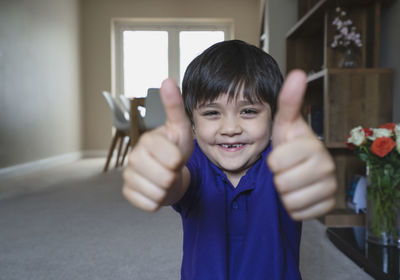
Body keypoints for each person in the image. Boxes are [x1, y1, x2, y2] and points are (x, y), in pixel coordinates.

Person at [122, 40, 337, 279]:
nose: (231, 128)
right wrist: (162, 173)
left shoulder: (281, 160)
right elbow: (174, 186)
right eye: (212, 113)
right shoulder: (194, 161)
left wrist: (310, 169)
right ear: (192, 124)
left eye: (248, 111)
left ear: (273, 118)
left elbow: (303, 173)